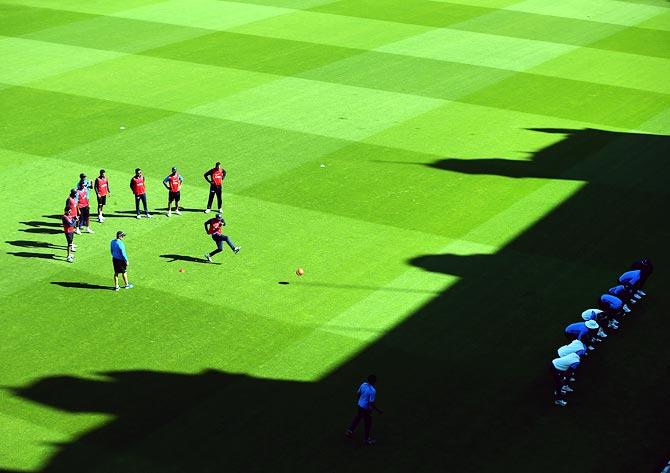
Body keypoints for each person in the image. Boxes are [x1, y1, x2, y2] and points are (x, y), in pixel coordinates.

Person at [345, 374, 383, 443]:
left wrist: (360, 401)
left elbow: (358, 393)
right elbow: (371, 403)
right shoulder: (373, 391)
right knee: (368, 423)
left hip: (359, 405)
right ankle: (367, 439)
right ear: (374, 381)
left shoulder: (363, 384)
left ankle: (349, 431)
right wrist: (379, 410)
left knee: (357, 418)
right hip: (365, 409)